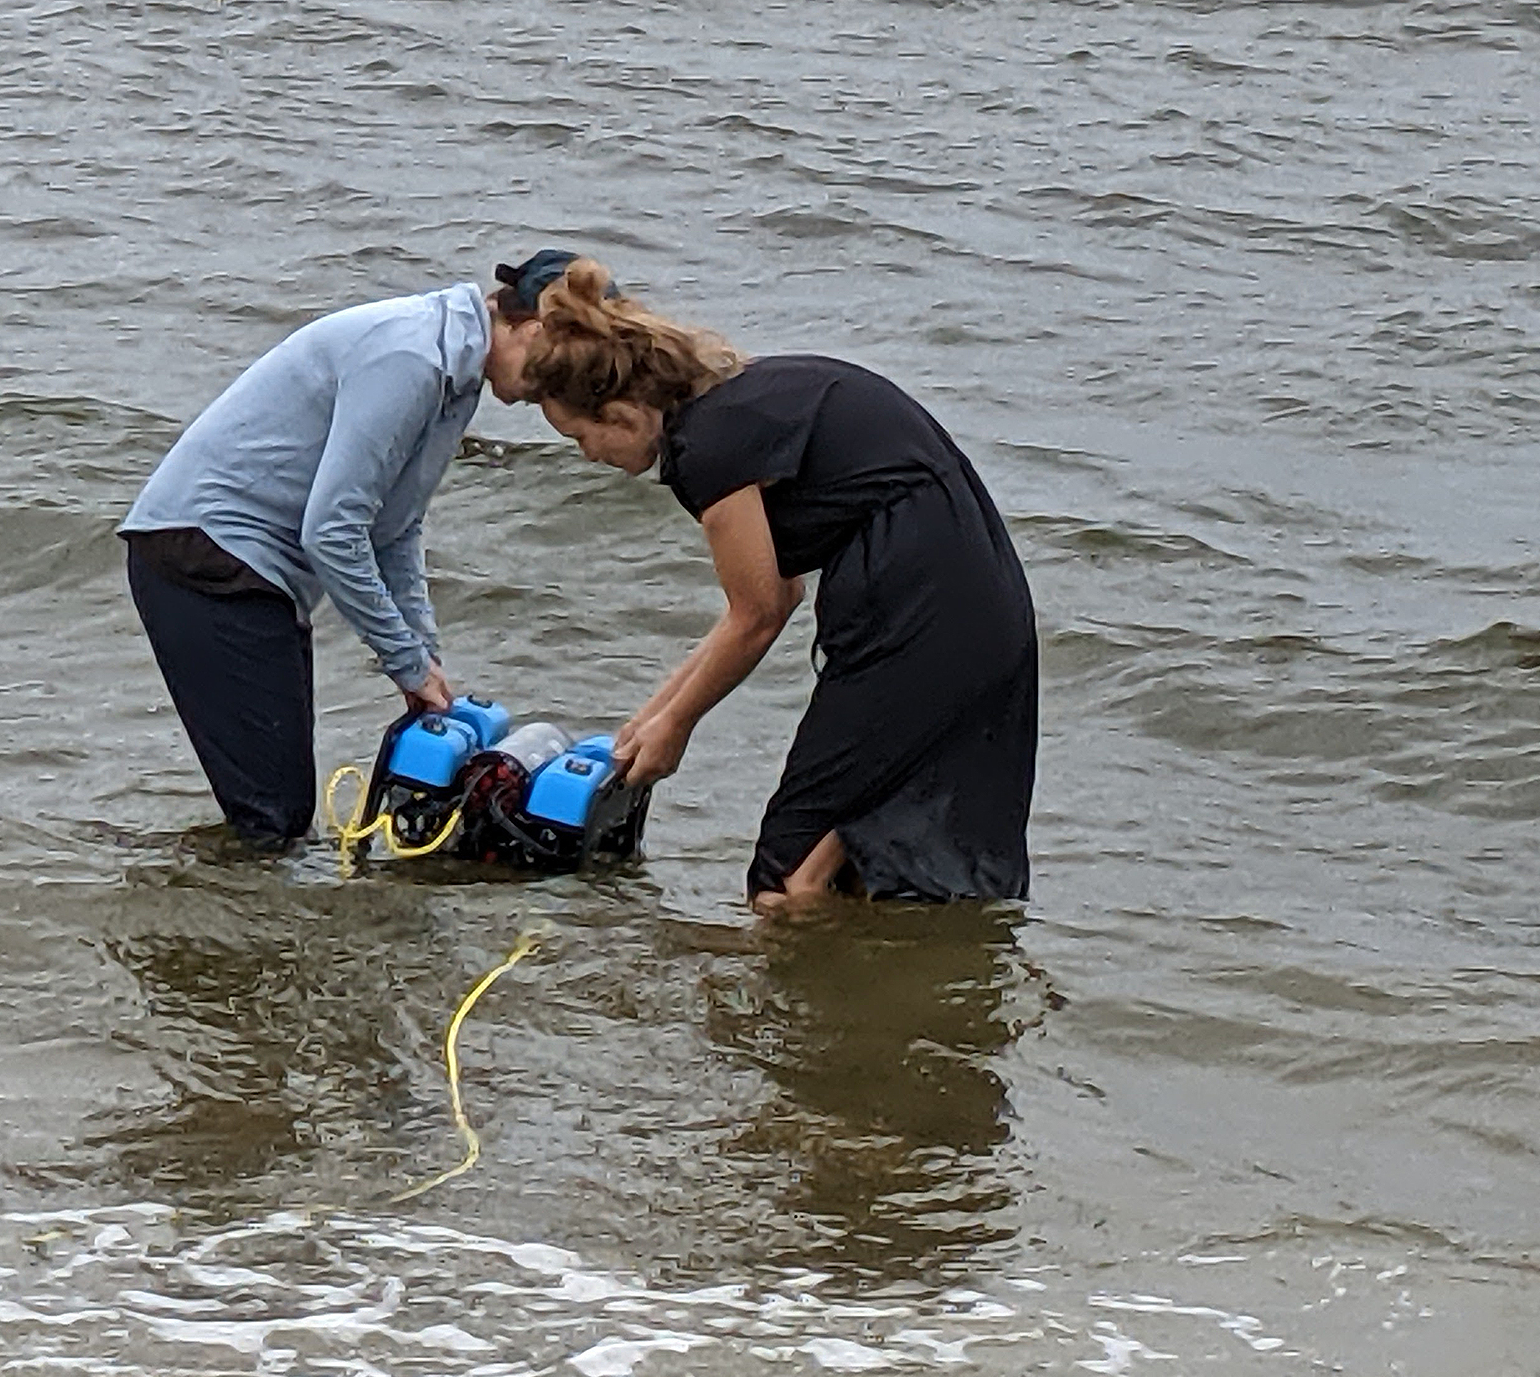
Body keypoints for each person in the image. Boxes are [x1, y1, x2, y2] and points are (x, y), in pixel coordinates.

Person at [522, 254, 1036, 909]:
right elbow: (778, 593)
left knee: (783, 875)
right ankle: (869, 993)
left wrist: (677, 725)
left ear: (622, 415)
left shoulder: (706, 449)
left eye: (581, 437)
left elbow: (759, 612)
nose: (588, 455)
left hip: (922, 611)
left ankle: (788, 1000)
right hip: (974, 597)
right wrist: (649, 717)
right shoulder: (732, 402)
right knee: (836, 860)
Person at [120, 255, 569, 850]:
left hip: (249, 570)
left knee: (276, 814)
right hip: (206, 557)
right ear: (532, 331)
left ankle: (203, 906)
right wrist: (402, 659)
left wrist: (423, 659)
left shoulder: (454, 370)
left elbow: (395, 530)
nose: (551, 394)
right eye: (558, 370)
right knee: (274, 819)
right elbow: (332, 532)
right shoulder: (413, 357)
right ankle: (215, 927)